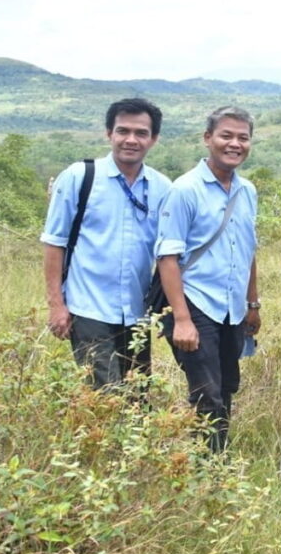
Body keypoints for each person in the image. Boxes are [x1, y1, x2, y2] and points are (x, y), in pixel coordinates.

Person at [42, 98, 172, 393]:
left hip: (137, 311)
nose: (130, 139)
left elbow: (169, 253)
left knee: (139, 397)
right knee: (106, 395)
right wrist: (56, 305)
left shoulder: (162, 187)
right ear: (108, 134)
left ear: (154, 139)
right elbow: (54, 243)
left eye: (141, 133)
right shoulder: (80, 177)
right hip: (88, 308)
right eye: (122, 131)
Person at [155, 106, 260, 455]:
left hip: (232, 307)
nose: (234, 144)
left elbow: (249, 250)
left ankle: (217, 457)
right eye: (226, 135)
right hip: (195, 304)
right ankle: (209, 468)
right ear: (208, 139)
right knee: (206, 392)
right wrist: (181, 320)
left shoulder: (247, 191)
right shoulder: (185, 190)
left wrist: (252, 304)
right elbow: (167, 257)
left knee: (227, 385)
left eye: (242, 137)